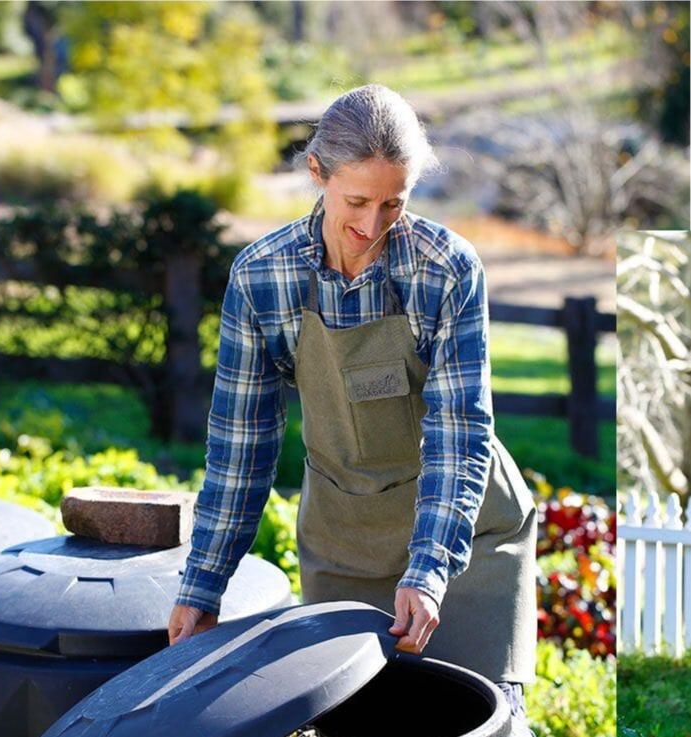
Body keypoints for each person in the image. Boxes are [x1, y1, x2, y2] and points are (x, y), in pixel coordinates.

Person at [167, 84, 538, 736]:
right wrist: (203, 585)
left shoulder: (445, 269)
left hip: (467, 539)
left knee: (484, 722)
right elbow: (240, 450)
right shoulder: (263, 277)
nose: (372, 227)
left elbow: (457, 431)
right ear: (316, 173)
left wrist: (427, 569)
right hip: (344, 544)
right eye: (356, 201)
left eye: (393, 202)